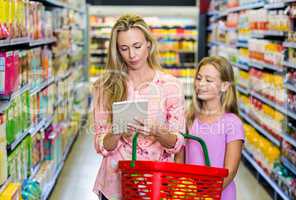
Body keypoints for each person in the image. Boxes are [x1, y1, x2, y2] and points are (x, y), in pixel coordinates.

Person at [92, 14, 186, 200]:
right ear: (117, 51)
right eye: (124, 48)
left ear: (149, 44)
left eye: (137, 46)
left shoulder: (170, 86)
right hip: (115, 185)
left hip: (156, 184)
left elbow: (177, 143)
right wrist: (118, 131)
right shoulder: (106, 86)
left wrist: (156, 130)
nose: (132, 55)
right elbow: (100, 144)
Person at [181, 56, 244, 200]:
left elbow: (230, 170)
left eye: (208, 80)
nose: (201, 84)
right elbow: (181, 159)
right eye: (198, 78)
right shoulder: (189, 118)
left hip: (219, 194)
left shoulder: (232, 123)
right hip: (189, 194)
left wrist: (206, 194)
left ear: (225, 86)